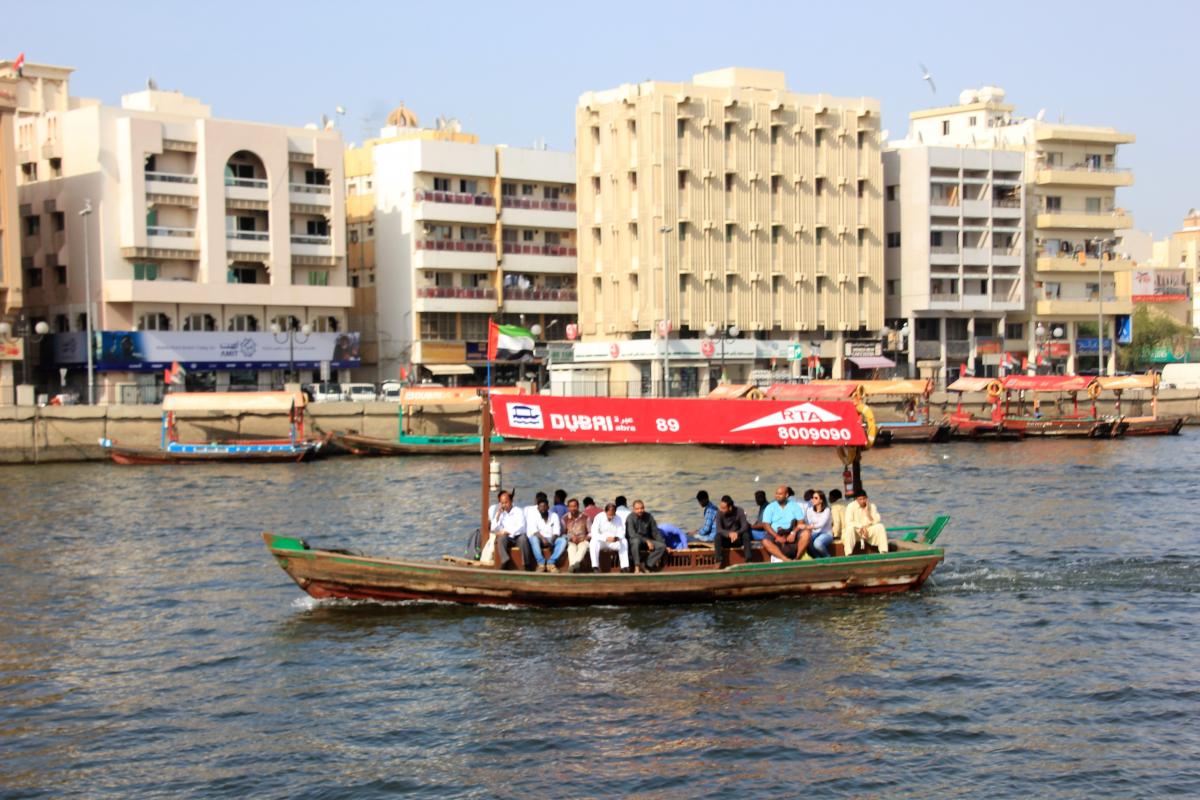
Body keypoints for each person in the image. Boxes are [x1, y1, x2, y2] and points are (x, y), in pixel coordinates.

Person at [488, 490, 533, 570]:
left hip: (517, 537)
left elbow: (521, 527)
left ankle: (526, 564)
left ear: (511, 501)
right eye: (502, 503)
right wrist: (498, 515)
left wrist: (507, 531)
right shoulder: (501, 514)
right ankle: (505, 560)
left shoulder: (518, 511)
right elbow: (493, 529)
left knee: (523, 539)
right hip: (507, 538)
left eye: (506, 502)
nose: (504, 505)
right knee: (501, 539)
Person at [759, 485, 803, 562]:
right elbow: (766, 524)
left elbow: (801, 522)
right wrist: (776, 536)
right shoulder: (770, 507)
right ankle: (784, 559)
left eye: (780, 494)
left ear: (786, 495)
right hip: (776, 532)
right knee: (765, 541)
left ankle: (797, 558)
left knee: (806, 534)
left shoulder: (794, 505)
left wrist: (794, 532)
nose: (777, 496)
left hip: (791, 531)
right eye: (776, 494)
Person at [626, 499, 667, 573]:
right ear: (633, 509)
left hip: (648, 542)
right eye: (637, 509)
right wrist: (646, 541)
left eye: (642, 508)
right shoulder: (630, 518)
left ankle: (647, 564)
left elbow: (655, 532)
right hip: (635, 542)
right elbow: (632, 534)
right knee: (635, 541)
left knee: (662, 546)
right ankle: (637, 566)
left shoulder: (649, 516)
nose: (640, 510)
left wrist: (663, 543)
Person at [525, 496, 564, 572]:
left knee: (562, 540)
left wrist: (551, 541)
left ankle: (551, 563)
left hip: (551, 538)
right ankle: (541, 563)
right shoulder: (534, 516)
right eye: (540, 507)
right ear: (538, 508)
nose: (542, 508)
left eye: (544, 506)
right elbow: (534, 531)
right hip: (539, 538)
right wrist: (543, 539)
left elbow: (556, 532)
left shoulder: (554, 515)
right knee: (533, 538)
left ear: (548, 507)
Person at [589, 503, 630, 573]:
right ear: (605, 512)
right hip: (602, 541)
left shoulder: (618, 518)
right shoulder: (598, 517)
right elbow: (594, 533)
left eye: (612, 515)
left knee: (624, 541)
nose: (611, 517)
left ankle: (624, 567)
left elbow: (621, 532)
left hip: (613, 542)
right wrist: (605, 538)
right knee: (593, 542)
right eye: (609, 515)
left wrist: (616, 538)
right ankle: (595, 567)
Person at [713, 495, 752, 567]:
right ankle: (718, 561)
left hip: (737, 539)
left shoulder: (740, 511)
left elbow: (745, 526)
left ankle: (748, 560)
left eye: (724, 508)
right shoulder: (719, 513)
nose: (721, 509)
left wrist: (737, 533)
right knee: (717, 536)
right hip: (726, 540)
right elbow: (719, 529)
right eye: (721, 507)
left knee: (746, 535)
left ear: (730, 507)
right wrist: (729, 534)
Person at [799, 490, 834, 558]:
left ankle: (827, 558)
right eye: (812, 498)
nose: (813, 499)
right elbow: (808, 522)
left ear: (821, 500)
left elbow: (821, 524)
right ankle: (817, 559)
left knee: (817, 544)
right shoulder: (809, 510)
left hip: (826, 533)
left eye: (816, 498)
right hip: (814, 533)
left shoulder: (827, 510)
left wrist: (806, 527)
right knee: (806, 542)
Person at [561, 498, 591, 573]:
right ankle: (574, 566)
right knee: (571, 548)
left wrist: (586, 538)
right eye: (571, 506)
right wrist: (570, 538)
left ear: (578, 506)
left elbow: (591, 532)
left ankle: (573, 565)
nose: (573, 508)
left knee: (583, 546)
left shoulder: (586, 517)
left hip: (583, 540)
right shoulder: (564, 518)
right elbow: (562, 533)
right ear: (568, 507)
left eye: (574, 506)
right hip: (571, 541)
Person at [828, 489, 849, 554]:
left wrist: (835, 535)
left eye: (829, 497)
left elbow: (837, 522)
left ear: (833, 497)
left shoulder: (834, 506)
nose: (828, 499)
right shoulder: (847, 504)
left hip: (843, 532)